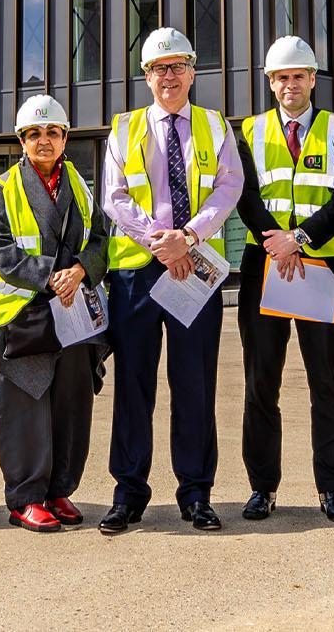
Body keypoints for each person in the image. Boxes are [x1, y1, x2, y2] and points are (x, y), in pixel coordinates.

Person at [99, 27, 242, 534]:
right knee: (133, 386)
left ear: (192, 72)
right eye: (160, 68)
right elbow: (114, 197)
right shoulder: (124, 128)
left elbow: (230, 187)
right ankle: (129, 492)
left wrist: (190, 237)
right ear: (146, 76)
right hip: (139, 274)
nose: (169, 76)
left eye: (178, 66)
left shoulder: (214, 124)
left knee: (195, 385)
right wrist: (159, 240)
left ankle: (197, 493)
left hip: (195, 271)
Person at [234, 36, 334, 524]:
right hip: (263, 265)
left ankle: (332, 488)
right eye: (281, 77)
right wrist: (274, 241)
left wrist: (299, 238)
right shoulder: (248, 130)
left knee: (327, 383)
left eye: (298, 76)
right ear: (270, 82)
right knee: (260, 383)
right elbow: (241, 194)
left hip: (319, 266)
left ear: (313, 79)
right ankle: (263, 487)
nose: (290, 85)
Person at [0, 95, 109, 532]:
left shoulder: (82, 185)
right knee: (26, 408)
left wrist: (81, 271)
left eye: (53, 132)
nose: (44, 141)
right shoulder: (3, 188)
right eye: (34, 134)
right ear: (21, 140)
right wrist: (54, 275)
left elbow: (100, 242)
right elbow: (1, 252)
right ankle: (25, 498)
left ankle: (59, 490)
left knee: (70, 406)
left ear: (66, 137)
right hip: (25, 313)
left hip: (74, 312)